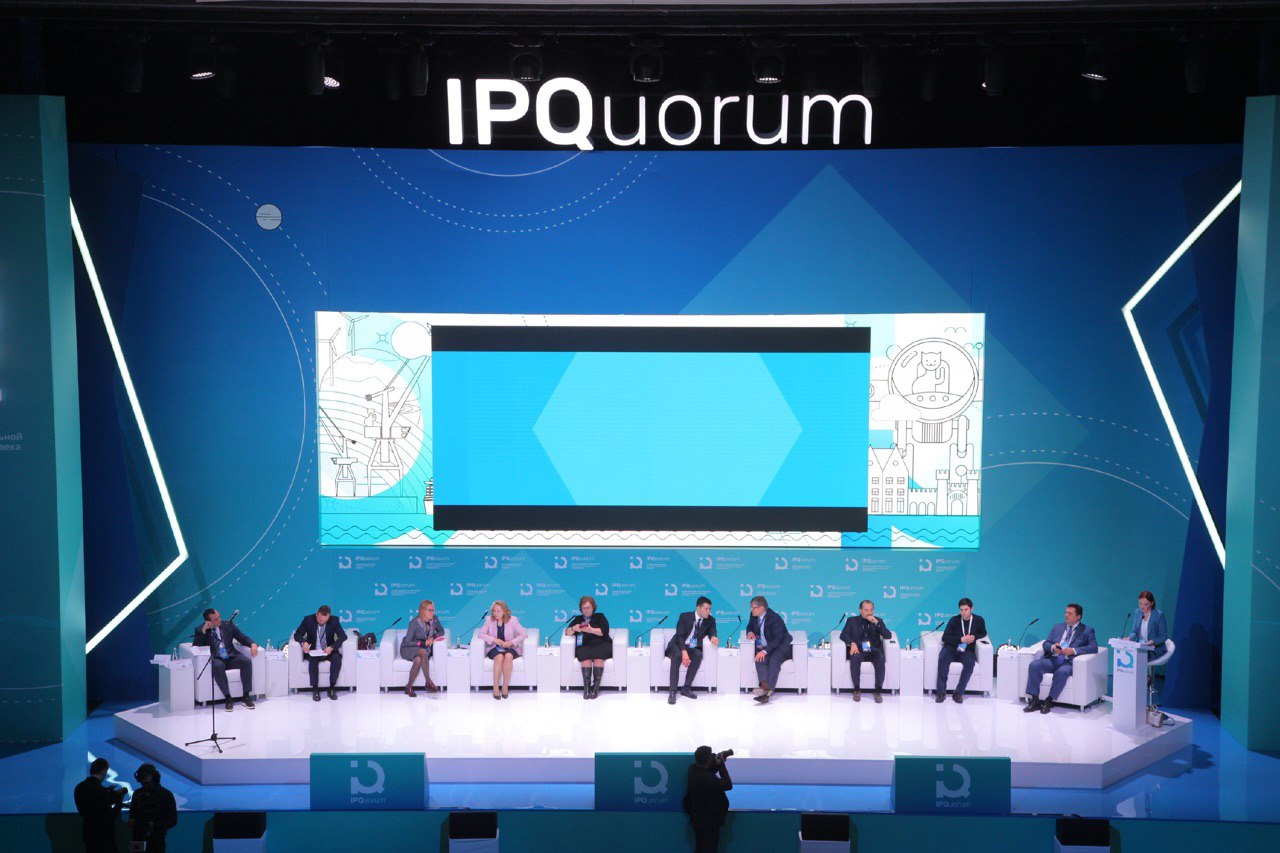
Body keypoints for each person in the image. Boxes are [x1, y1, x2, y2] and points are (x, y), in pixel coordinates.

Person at [1024, 603, 1098, 714]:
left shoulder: (1087, 630)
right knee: (1034, 665)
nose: (1066, 615)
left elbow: (1093, 647)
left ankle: (1049, 701)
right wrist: (1053, 647)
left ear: (1078, 617)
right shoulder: (1057, 627)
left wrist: (1073, 650)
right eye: (1066, 613)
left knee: (1062, 672)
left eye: (1070, 613)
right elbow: (1046, 643)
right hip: (1053, 659)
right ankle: (1035, 700)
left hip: (1068, 662)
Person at [192, 607, 259, 711]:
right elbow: (196, 646)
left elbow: (242, 637)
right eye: (215, 619)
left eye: (219, 617)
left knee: (246, 662)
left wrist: (252, 644)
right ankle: (228, 698)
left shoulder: (228, 625)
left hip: (231, 656)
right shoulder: (201, 629)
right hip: (216, 657)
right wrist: (204, 630)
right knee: (218, 666)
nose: (219, 620)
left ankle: (246, 696)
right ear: (209, 622)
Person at [665, 596, 719, 705]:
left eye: (710, 609)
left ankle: (686, 688)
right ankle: (672, 691)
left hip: (691, 647)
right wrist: (684, 652)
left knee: (698, 654)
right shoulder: (685, 616)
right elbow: (679, 636)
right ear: (698, 608)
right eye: (706, 609)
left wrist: (713, 637)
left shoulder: (710, 620)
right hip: (677, 645)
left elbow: (712, 631)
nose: (708, 611)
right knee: (678, 656)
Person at [934, 597, 988, 704]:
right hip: (951, 648)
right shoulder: (954, 620)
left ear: (971, 609)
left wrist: (974, 637)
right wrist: (961, 639)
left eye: (966, 609)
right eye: (961, 610)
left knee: (970, 662)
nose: (963, 612)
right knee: (942, 658)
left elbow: (983, 633)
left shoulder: (978, 620)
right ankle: (941, 692)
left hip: (967, 649)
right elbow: (945, 638)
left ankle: (958, 693)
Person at [840, 599, 892, 703]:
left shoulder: (878, 621)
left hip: (873, 651)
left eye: (871, 610)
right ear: (860, 610)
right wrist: (852, 643)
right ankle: (857, 689)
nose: (869, 613)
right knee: (855, 657)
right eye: (866, 610)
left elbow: (888, 635)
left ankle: (878, 691)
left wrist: (876, 623)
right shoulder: (852, 621)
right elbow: (843, 635)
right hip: (859, 650)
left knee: (880, 657)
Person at [293, 604, 347, 701]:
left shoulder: (334, 620)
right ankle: (315, 689)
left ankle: (332, 687)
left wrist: (332, 647)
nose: (322, 622)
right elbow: (297, 634)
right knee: (313, 661)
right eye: (320, 620)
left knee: (337, 659)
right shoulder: (308, 620)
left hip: (328, 650)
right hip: (314, 650)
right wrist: (303, 643)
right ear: (317, 614)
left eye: (325, 621)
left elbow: (343, 636)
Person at [744, 595, 792, 704]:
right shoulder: (753, 615)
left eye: (753, 607)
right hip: (769, 646)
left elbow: (778, 639)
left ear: (761, 608)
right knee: (759, 659)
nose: (751, 610)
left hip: (782, 645)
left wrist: (764, 651)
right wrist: (750, 632)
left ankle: (766, 694)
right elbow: (750, 626)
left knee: (774, 660)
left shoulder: (775, 618)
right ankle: (765, 687)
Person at [685, 746, 732, 853]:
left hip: (698, 819)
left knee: (700, 848)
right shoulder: (710, 779)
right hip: (710, 822)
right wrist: (721, 765)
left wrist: (716, 763)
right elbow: (728, 785)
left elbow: (706, 771)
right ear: (708, 759)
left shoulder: (692, 770)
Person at [477, 600, 527, 700]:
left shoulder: (513, 620)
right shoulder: (489, 620)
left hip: (510, 647)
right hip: (494, 647)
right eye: (494, 611)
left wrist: (511, 642)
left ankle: (505, 686)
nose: (495, 613)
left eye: (498, 611)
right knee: (499, 657)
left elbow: (524, 634)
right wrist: (494, 640)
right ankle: (495, 687)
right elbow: (480, 634)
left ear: (504, 611)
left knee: (508, 656)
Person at [565, 595, 612, 700]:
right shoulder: (578, 619)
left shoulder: (600, 616)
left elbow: (604, 631)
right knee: (585, 656)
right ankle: (586, 688)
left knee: (599, 656)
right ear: (581, 609)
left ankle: (595, 688)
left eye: (588, 607)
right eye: (584, 608)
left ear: (593, 607)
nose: (586, 610)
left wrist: (591, 630)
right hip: (585, 645)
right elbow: (567, 633)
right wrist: (574, 628)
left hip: (601, 643)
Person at [74, 757, 124, 853]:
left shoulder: (79, 788)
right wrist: (119, 799)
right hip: (104, 837)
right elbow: (110, 815)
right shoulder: (101, 791)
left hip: (89, 834)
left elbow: (93, 806)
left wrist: (108, 795)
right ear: (104, 771)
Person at [400, 598, 445, 697]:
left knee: (418, 660)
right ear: (423, 611)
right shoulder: (414, 622)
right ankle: (428, 681)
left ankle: (408, 687)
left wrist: (433, 637)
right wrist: (424, 643)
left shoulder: (435, 619)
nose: (432, 612)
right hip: (408, 648)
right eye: (430, 610)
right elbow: (407, 641)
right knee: (423, 651)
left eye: (433, 610)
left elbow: (442, 631)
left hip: (422, 650)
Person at [128, 763, 177, 853]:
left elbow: (173, 820)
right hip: (139, 839)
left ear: (155, 779)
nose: (146, 786)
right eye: (143, 784)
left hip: (156, 840)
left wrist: (155, 825)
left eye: (148, 783)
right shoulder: (137, 794)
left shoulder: (165, 795)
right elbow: (132, 816)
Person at [1129, 590, 1169, 659]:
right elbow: (1135, 632)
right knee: (1128, 655)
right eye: (1140, 604)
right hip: (1141, 647)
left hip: (1155, 649)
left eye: (1145, 604)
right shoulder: (1138, 612)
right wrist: (1129, 638)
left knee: (1137, 658)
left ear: (1152, 603)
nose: (1142, 607)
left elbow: (1163, 636)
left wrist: (1152, 642)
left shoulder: (1159, 615)